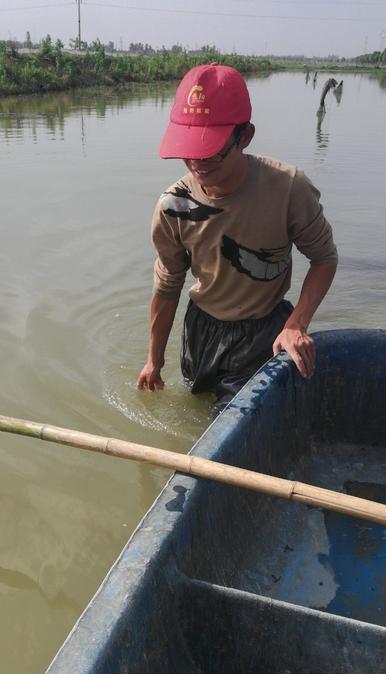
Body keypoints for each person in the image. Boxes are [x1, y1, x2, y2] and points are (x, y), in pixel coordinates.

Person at [137, 63, 338, 415]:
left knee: (232, 420)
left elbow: (324, 258)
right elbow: (168, 286)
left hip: (264, 330)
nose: (198, 164)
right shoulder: (173, 206)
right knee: (196, 406)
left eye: (211, 151)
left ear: (244, 137)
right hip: (202, 328)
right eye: (189, 150)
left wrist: (297, 323)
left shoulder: (289, 188)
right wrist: (153, 360)